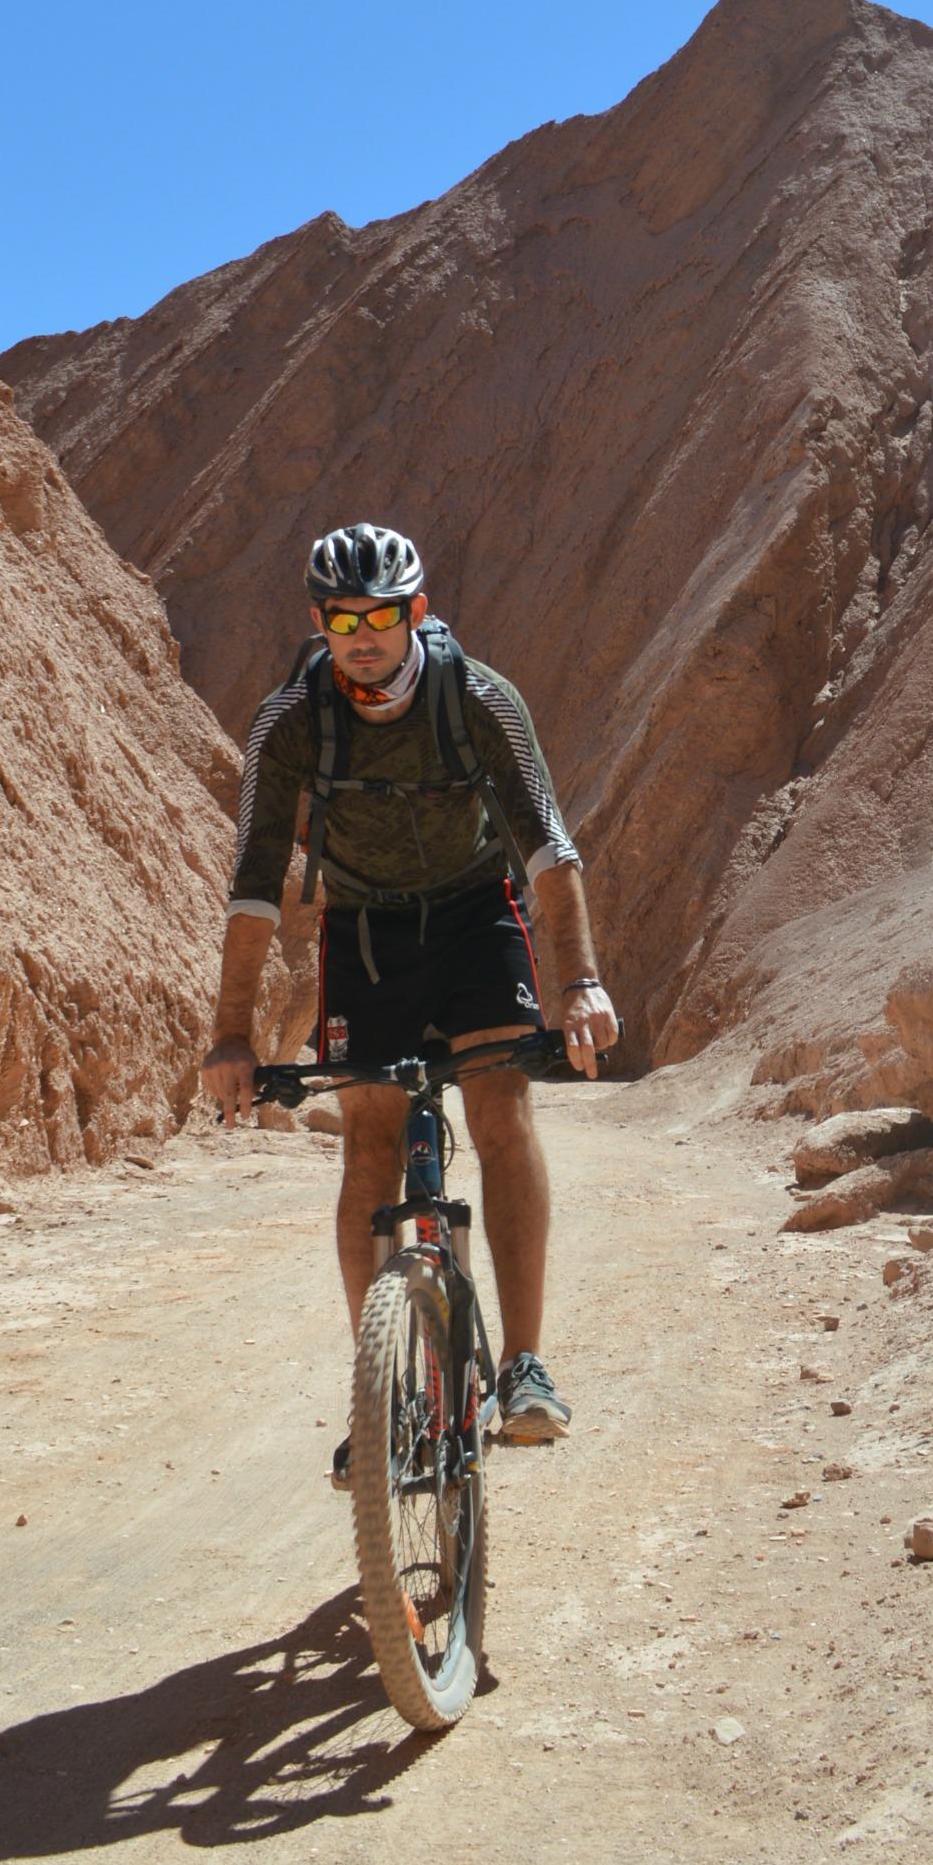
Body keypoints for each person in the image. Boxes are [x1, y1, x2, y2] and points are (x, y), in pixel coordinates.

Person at [199, 523, 619, 1487]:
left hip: (479, 911)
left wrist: (582, 981)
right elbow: (257, 881)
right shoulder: (290, 719)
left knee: (503, 1109)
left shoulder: (478, 697)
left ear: (415, 615)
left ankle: (522, 1363)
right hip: (363, 931)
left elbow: (549, 846)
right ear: (321, 622)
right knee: (368, 1142)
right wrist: (229, 1033)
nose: (362, 635)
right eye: (343, 619)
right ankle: (379, 1390)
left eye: (381, 617)